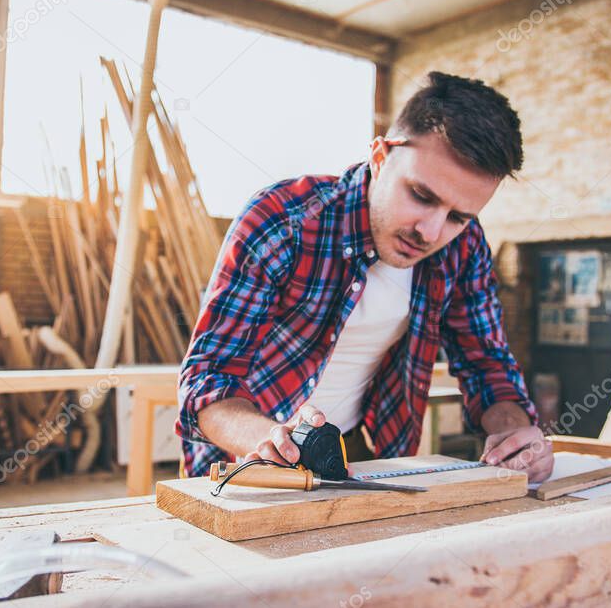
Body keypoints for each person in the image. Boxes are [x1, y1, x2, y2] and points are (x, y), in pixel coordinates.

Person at [175, 71, 554, 483]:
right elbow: (207, 382)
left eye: (458, 217)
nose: (430, 232)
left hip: (358, 450)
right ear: (380, 156)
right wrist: (267, 438)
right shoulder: (282, 221)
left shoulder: (464, 247)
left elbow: (486, 365)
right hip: (245, 449)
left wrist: (515, 433)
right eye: (422, 196)